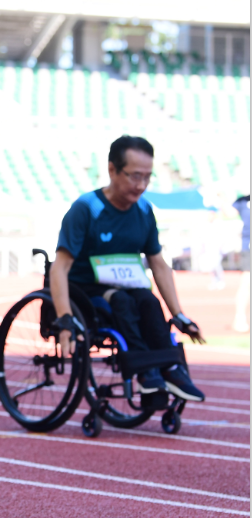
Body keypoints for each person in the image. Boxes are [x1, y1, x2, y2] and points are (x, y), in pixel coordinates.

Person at [50, 135, 205, 402]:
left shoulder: (144, 210)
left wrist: (179, 315)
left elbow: (158, 263)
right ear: (112, 169)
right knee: (120, 301)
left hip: (129, 287)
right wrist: (64, 317)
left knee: (148, 300)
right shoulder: (86, 209)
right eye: (134, 176)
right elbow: (59, 267)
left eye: (147, 177)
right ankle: (146, 372)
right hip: (87, 289)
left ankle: (169, 366)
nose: (141, 185)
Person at [232, 195, 250, 333]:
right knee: (246, 283)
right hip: (249, 248)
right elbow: (229, 212)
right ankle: (240, 318)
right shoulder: (242, 200)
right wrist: (221, 195)